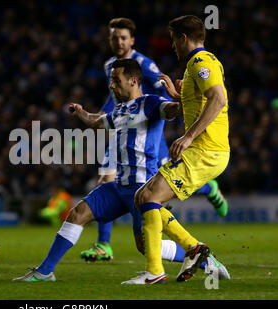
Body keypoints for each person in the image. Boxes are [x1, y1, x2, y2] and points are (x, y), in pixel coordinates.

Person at [13, 59, 228, 282]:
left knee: (145, 247)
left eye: (117, 80)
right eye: (111, 80)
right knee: (77, 214)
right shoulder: (121, 111)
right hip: (119, 186)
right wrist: (81, 112)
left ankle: (204, 259)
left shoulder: (151, 103)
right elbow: (98, 122)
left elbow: (175, 111)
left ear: (133, 80)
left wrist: (179, 96)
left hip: (142, 187)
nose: (112, 85)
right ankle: (45, 271)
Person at [81, 18, 228, 263]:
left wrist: (179, 122)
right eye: (114, 37)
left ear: (131, 41)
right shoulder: (111, 65)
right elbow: (114, 101)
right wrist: (104, 118)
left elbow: (212, 98)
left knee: (148, 195)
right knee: (133, 190)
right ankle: (106, 245)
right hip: (122, 128)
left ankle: (163, 266)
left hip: (152, 133)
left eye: (123, 37)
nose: (118, 42)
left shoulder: (148, 64)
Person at [129, 15, 230, 284]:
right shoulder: (197, 65)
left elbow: (218, 99)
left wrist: (187, 137)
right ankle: (194, 250)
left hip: (206, 149)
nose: (172, 45)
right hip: (207, 150)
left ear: (183, 38)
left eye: (173, 39)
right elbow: (199, 98)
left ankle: (154, 272)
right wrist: (178, 95)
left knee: (150, 195)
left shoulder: (201, 62)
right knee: (143, 197)